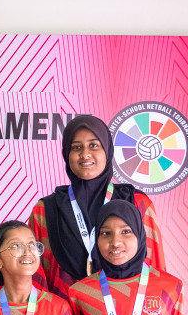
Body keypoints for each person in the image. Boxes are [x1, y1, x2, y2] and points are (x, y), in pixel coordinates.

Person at [29, 114, 165, 300]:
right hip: (65, 313)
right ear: (66, 154)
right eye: (76, 147)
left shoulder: (137, 203)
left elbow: (155, 272)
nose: (85, 154)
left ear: (107, 151)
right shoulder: (45, 210)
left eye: (94, 145)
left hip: (126, 311)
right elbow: (34, 276)